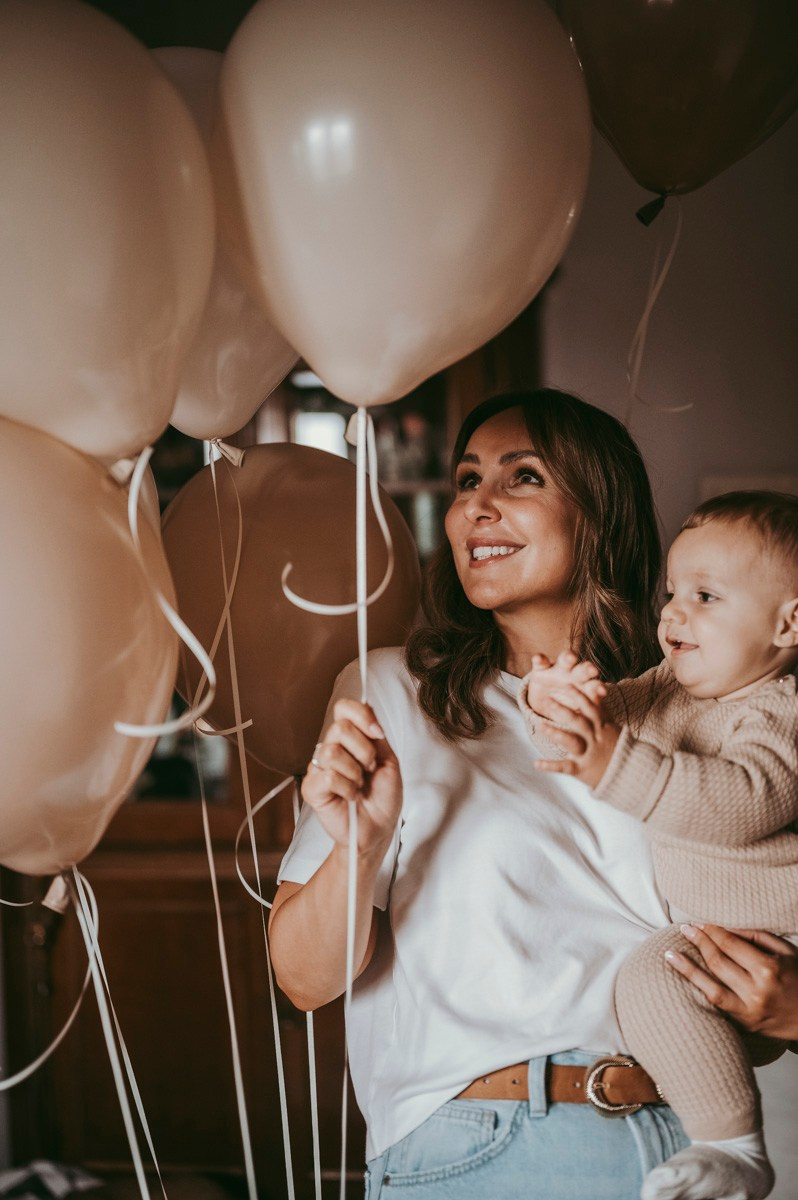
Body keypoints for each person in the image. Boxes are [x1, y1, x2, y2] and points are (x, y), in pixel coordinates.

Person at [270, 388, 688, 1199]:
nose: (477, 506)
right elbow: (304, 980)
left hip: (688, 1137)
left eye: (522, 476)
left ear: (600, 513)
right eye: (467, 480)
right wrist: (359, 845)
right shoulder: (393, 692)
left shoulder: (689, 710)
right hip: (487, 1144)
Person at [518, 490, 798, 1200]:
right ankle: (730, 1147)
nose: (673, 614)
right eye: (673, 592)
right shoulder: (670, 684)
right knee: (647, 976)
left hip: (786, 923)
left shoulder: (781, 709)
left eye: (705, 596)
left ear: (788, 623)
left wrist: (615, 763)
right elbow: (606, 716)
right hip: (718, 935)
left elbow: (744, 801)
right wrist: (555, 703)